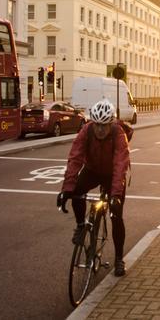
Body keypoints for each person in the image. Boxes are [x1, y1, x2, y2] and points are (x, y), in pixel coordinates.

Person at [56, 99, 130, 277]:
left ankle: (119, 259)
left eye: (104, 125)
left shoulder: (119, 134)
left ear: (111, 123)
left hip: (112, 173)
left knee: (116, 215)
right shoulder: (86, 131)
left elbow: (120, 165)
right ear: (92, 123)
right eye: (97, 125)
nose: (100, 130)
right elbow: (75, 158)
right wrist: (66, 189)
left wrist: (116, 196)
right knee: (76, 191)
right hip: (92, 170)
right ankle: (81, 226)